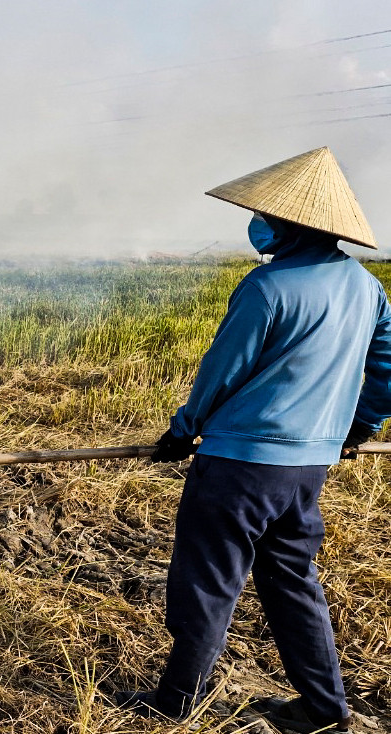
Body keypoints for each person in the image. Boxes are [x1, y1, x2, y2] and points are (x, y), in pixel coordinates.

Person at [112, 147, 391, 734]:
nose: (256, 224)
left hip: (239, 466)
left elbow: (223, 371)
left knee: (207, 581)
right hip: (308, 470)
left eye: (266, 215)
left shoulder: (267, 286)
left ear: (292, 223)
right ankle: (324, 706)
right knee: (293, 583)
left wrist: (183, 430)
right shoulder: (368, 291)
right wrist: (359, 427)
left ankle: (177, 700)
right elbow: (388, 368)